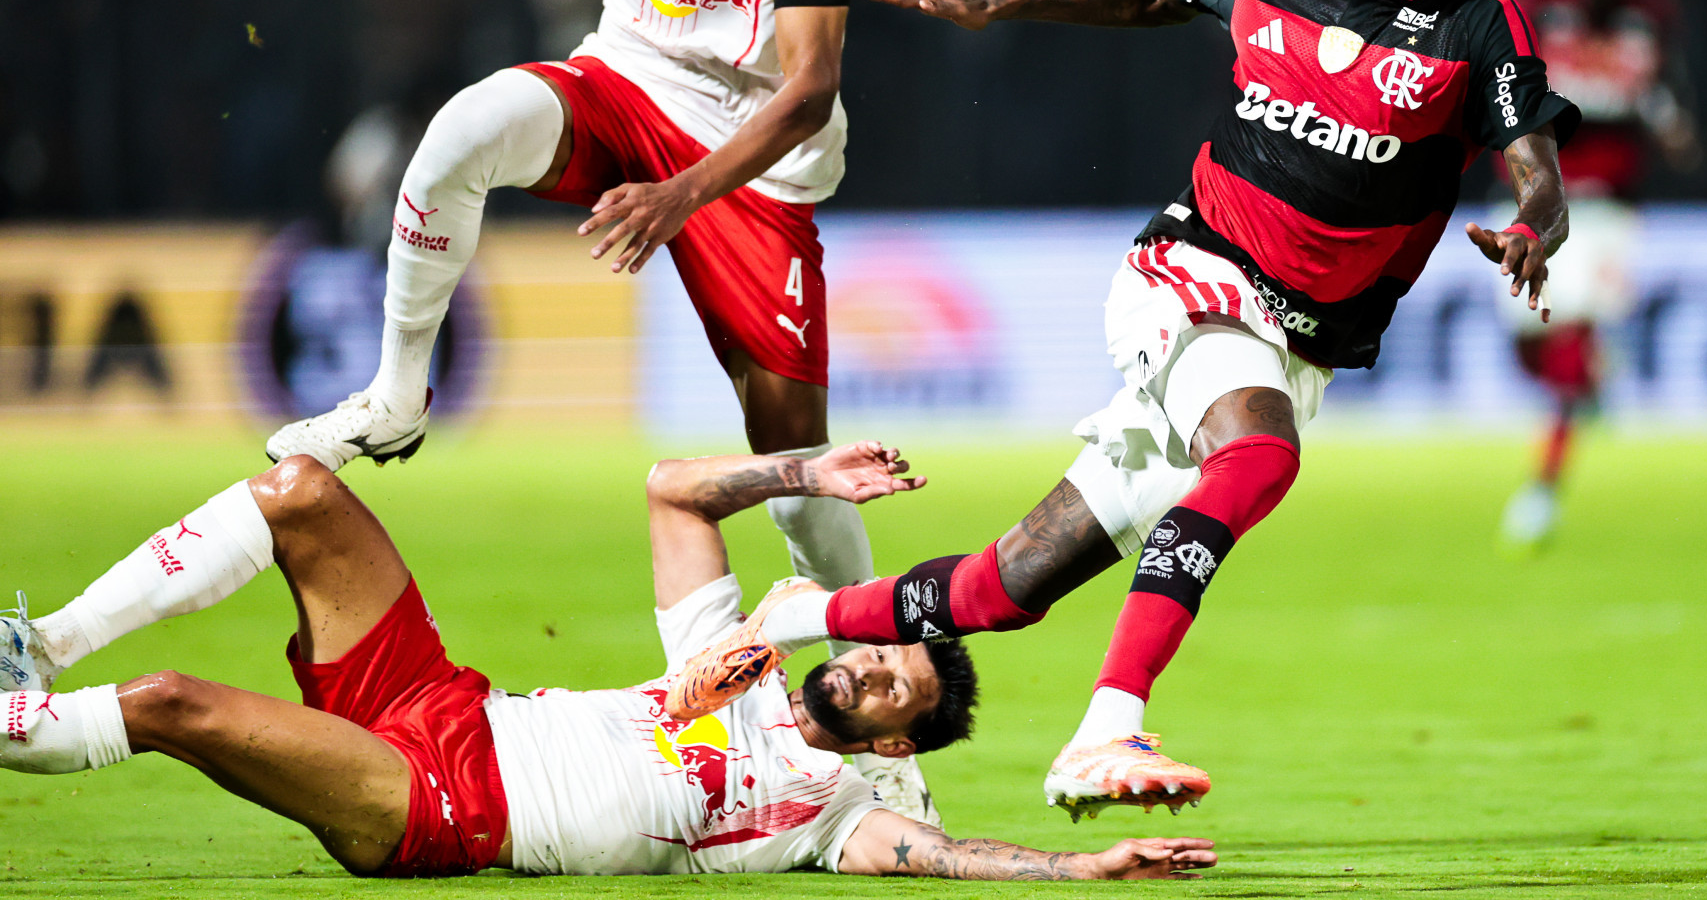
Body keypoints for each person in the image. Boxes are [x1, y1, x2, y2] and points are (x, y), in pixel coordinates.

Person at [669, 0, 1581, 818]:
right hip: (1192, 271)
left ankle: (797, 612)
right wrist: (999, 5)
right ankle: (1106, 728)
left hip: (1296, 341)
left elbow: (1537, 167)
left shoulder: (1479, 24)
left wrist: (1532, 225)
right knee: (1259, 455)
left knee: (1004, 589)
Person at [265, 0, 940, 822]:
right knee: (460, 133)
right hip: (624, 80)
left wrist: (681, 194)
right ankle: (397, 394)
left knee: (795, 480)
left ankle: (887, 762)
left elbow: (812, 86)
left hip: (752, 159)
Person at [0, 444, 1216, 881]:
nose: (859, 670)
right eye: (872, 653)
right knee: (302, 492)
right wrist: (802, 470)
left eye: (889, 684)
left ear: (894, 737)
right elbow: (673, 488)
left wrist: (1087, 865)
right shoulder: (732, 654)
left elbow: (948, 856)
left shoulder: (835, 808)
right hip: (440, 701)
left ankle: (20, 712)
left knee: (172, 704)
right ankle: (38, 642)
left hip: (446, 803)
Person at [1493, 0, 1697, 550]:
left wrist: (1673, 126)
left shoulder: (1650, 14)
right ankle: (1592, 382)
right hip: (1531, 202)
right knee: (1528, 343)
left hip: (1606, 207)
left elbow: (1666, 89)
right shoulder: (1530, 4)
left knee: (1570, 336)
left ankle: (1542, 488)